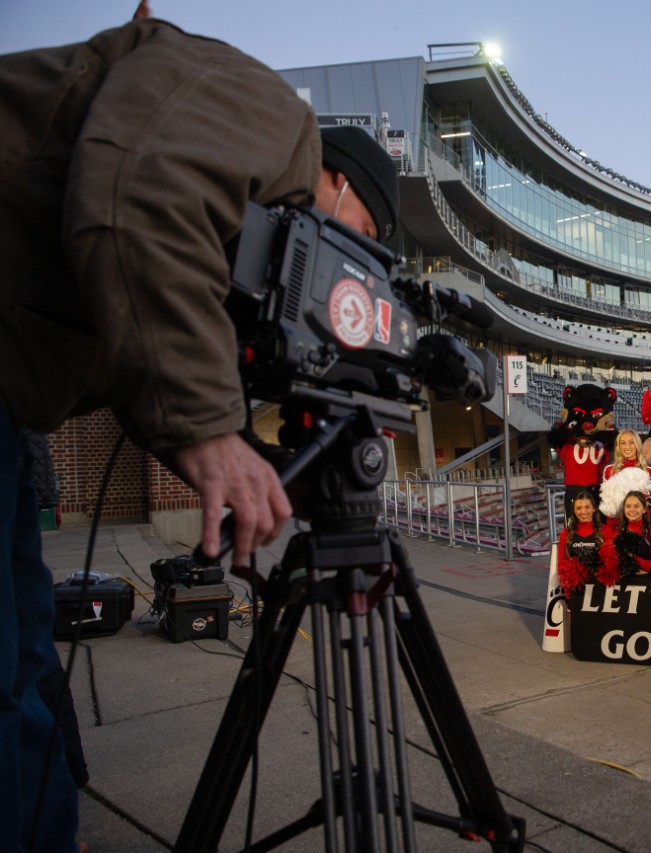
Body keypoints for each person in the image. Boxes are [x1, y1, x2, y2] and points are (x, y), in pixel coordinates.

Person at [1, 17, 400, 851]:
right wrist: (211, 428)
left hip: (11, 413)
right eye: (362, 241)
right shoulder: (272, 123)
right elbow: (135, 193)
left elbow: (150, 377)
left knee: (24, 657)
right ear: (336, 181)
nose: (355, 272)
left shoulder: (239, 264)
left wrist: (243, 467)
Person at [602, 429, 651, 496]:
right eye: (623, 443)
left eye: (631, 442)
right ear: (618, 446)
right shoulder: (609, 470)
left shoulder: (648, 470)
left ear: (637, 444)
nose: (627, 447)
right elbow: (606, 501)